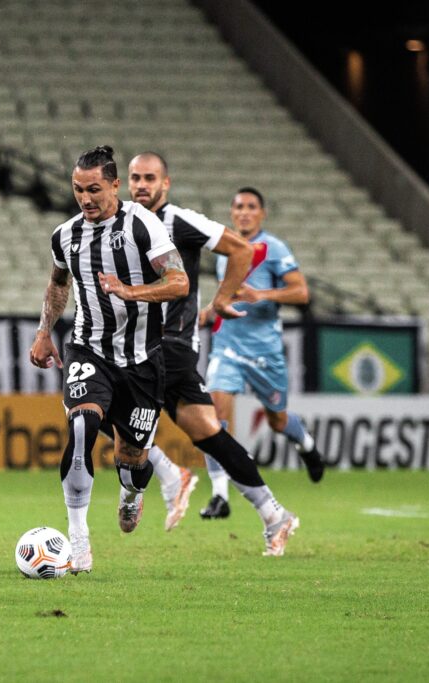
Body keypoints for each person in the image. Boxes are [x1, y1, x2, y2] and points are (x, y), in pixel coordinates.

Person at [123, 153, 302, 555]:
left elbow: (242, 251)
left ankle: (172, 475)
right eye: (135, 178)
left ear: (166, 184)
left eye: (150, 178)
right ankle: (274, 515)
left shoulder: (181, 221)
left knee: (103, 406)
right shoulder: (121, 224)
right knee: (208, 432)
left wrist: (221, 299)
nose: (142, 185)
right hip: (138, 344)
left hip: (169, 344)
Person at [199, 187, 324, 520]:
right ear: (231, 211)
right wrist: (209, 309)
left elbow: (301, 292)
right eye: (238, 206)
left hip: (264, 350)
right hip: (227, 344)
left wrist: (262, 295)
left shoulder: (273, 248)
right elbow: (228, 293)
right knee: (213, 417)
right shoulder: (225, 249)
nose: (244, 212)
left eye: (251, 207)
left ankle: (306, 445)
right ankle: (219, 495)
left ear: (262, 213)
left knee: (277, 419)